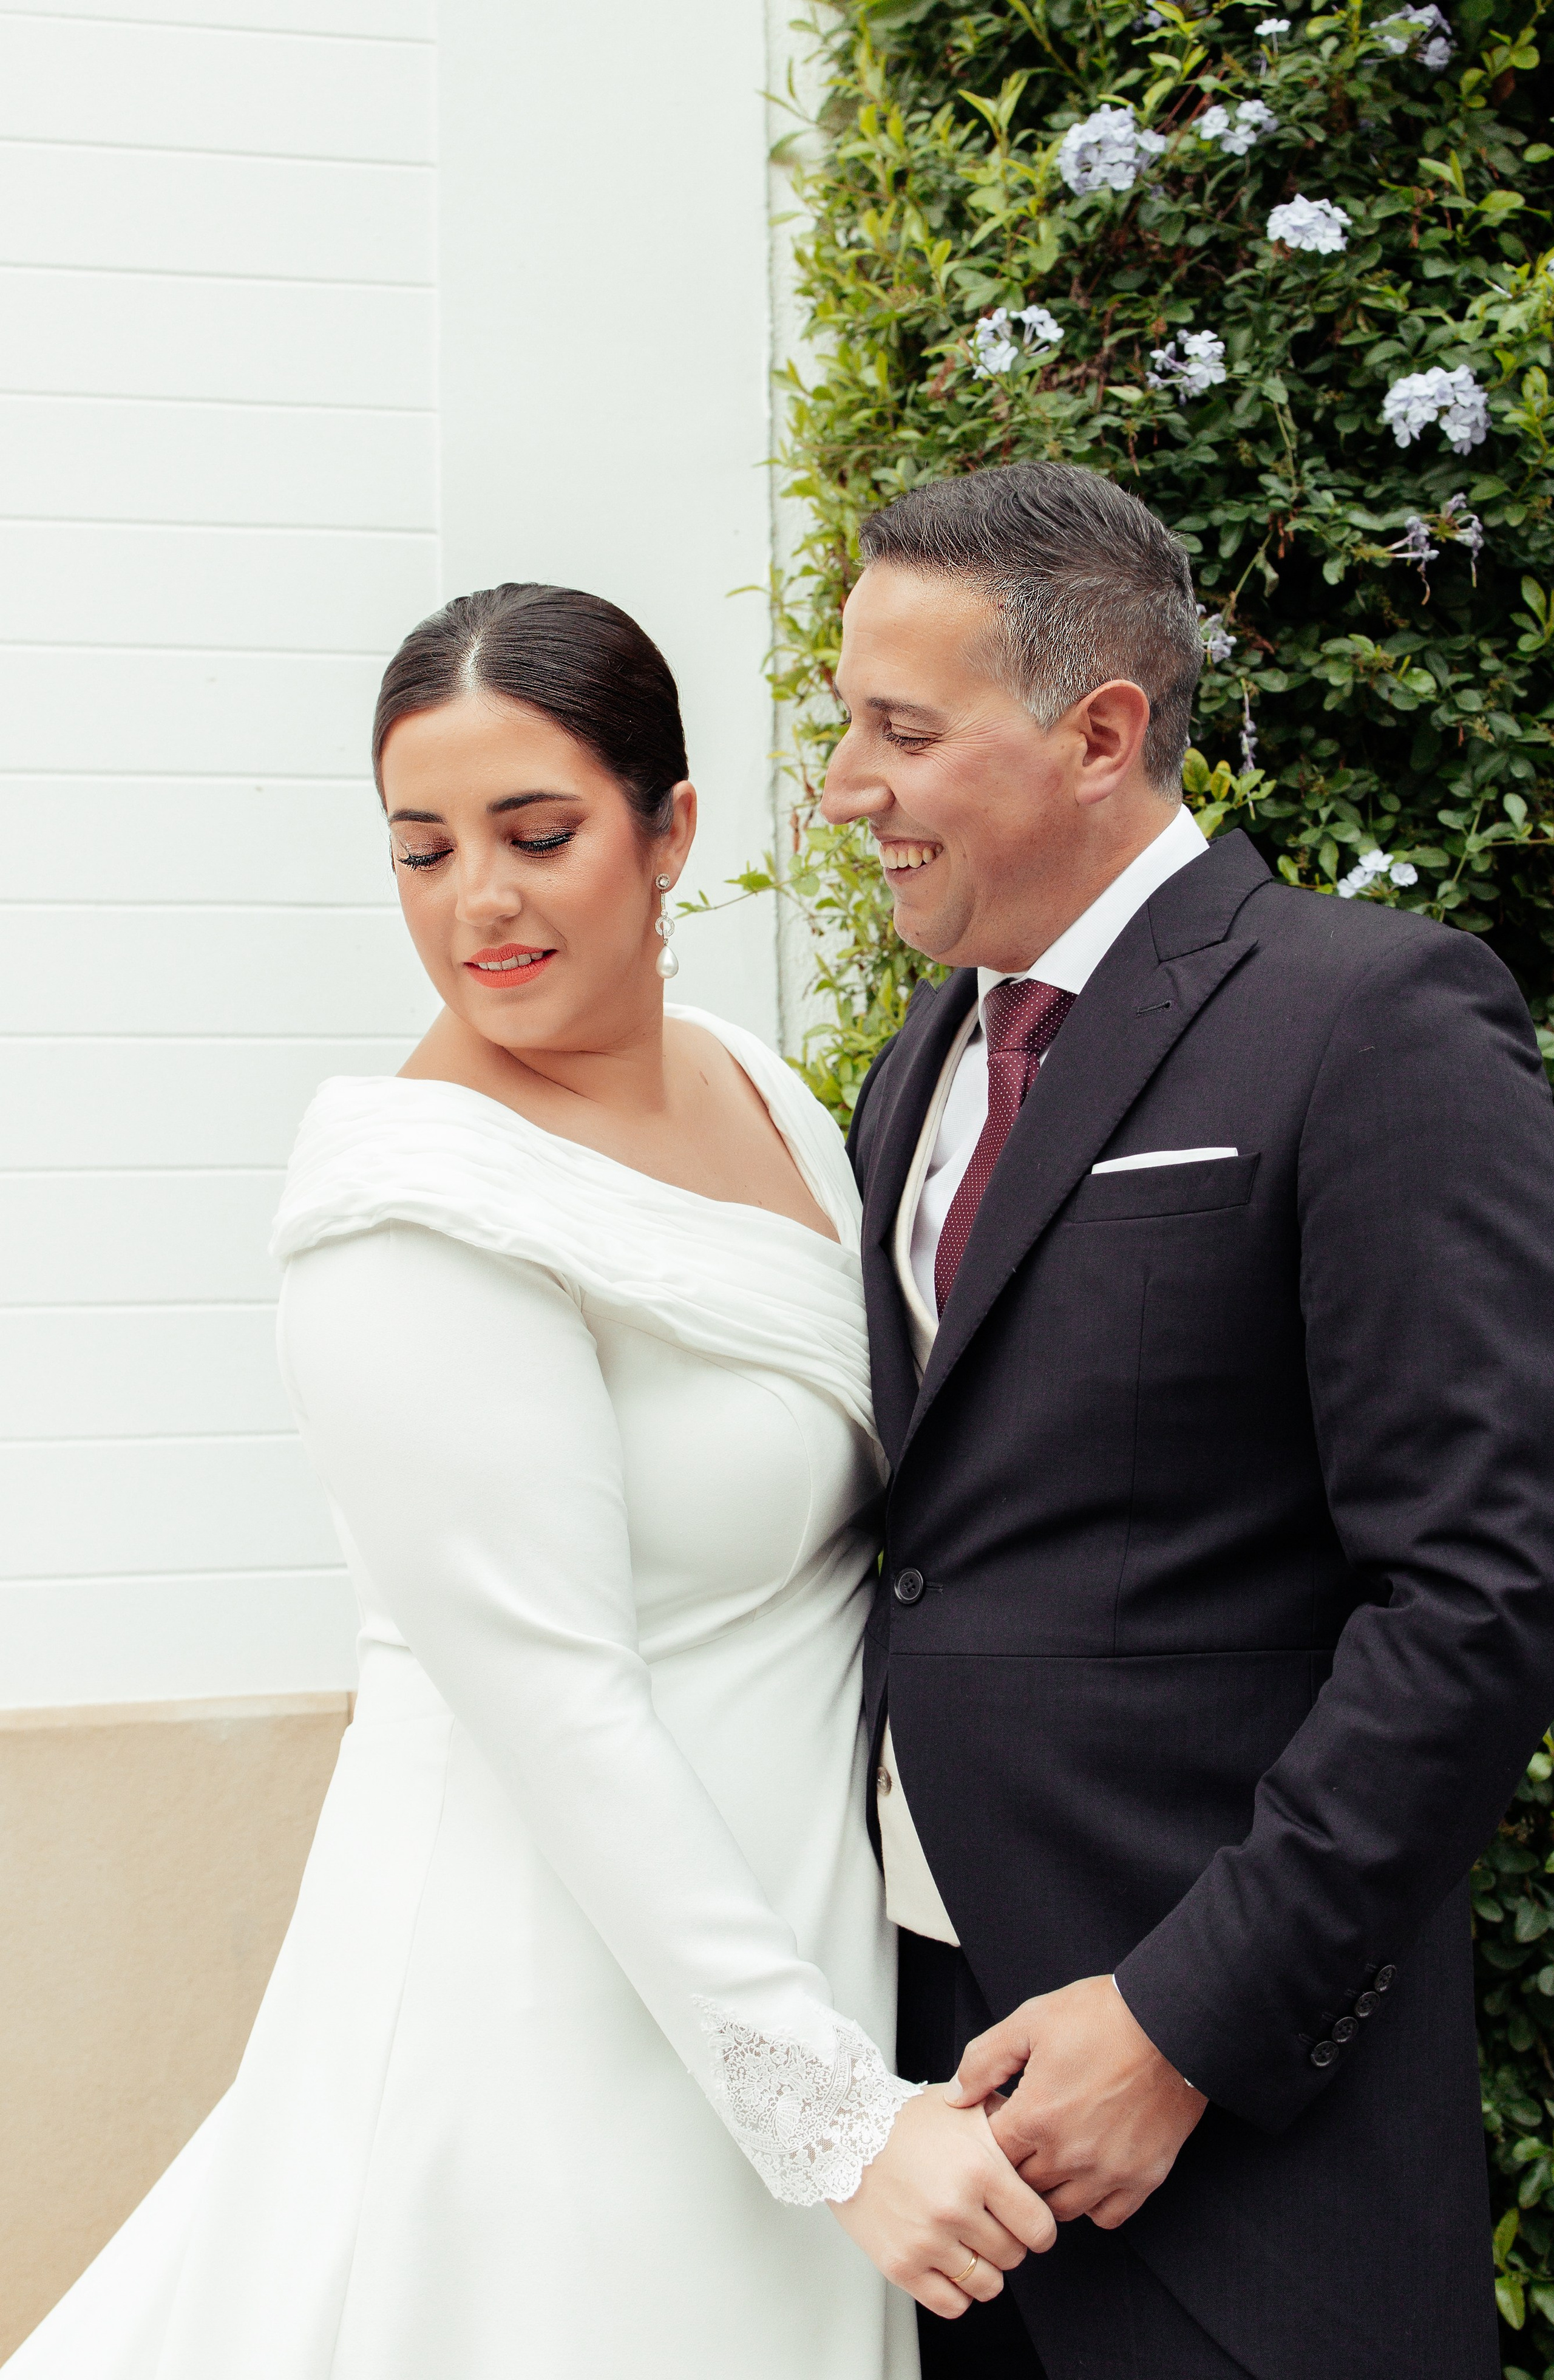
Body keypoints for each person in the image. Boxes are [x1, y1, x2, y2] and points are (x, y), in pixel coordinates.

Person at [4, 583, 1056, 2380]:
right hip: (545, 2005)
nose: (476, 902)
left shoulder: (764, 1092)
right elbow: (561, 1710)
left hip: (788, 1961)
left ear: (674, 833)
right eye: (422, 850)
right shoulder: (413, 1217)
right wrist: (834, 2119)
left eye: (536, 833)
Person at [826, 460, 1554, 2380]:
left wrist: (1182, 2025)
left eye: (901, 732)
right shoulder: (919, 1067)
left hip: (1240, 2149)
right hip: (943, 2130)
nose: (846, 789)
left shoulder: (1372, 1017)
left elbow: (1480, 1591)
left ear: (1102, 733)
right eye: (845, 729)